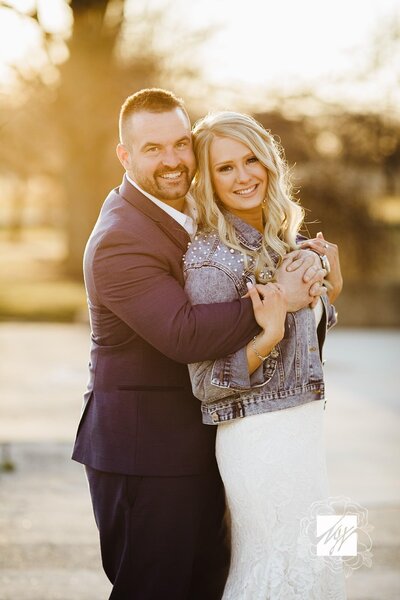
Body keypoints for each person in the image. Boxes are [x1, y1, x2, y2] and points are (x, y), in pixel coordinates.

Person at [72, 89, 327, 600]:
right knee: (155, 587)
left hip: (251, 439)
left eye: (180, 144)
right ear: (125, 156)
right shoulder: (120, 239)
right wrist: (284, 300)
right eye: (151, 149)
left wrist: (320, 275)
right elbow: (184, 334)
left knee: (287, 566)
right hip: (148, 454)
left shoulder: (199, 210)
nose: (171, 160)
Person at [183, 110, 346, 599]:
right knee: (274, 568)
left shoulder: (287, 245)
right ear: (208, 182)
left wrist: (332, 289)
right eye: (225, 168)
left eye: (250, 159)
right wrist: (266, 337)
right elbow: (205, 385)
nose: (243, 175)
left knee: (322, 564)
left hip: (305, 434)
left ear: (270, 162)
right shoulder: (210, 260)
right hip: (258, 441)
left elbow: (305, 350)